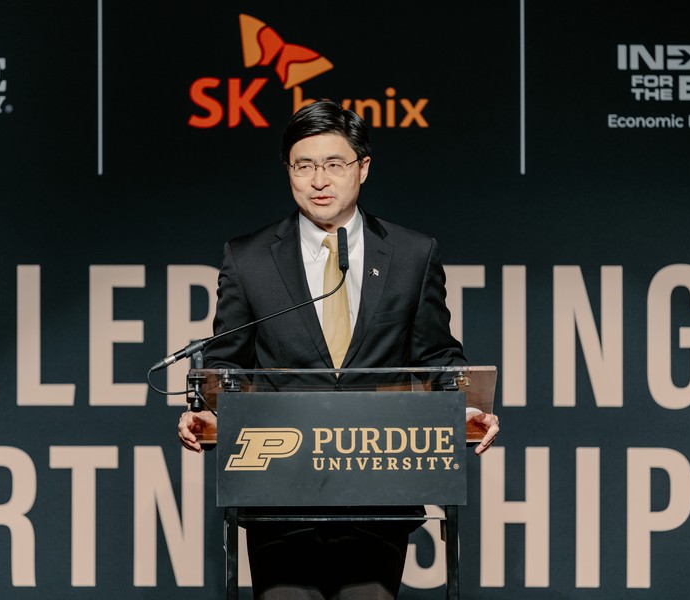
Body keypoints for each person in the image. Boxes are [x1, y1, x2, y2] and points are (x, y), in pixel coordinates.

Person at [178, 99, 499, 599]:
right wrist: (206, 412)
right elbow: (227, 364)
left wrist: (470, 406)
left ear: (363, 168)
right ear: (288, 171)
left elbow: (436, 356)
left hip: (378, 495)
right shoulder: (248, 259)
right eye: (304, 166)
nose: (319, 180)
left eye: (334, 164)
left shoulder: (414, 254)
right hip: (277, 499)